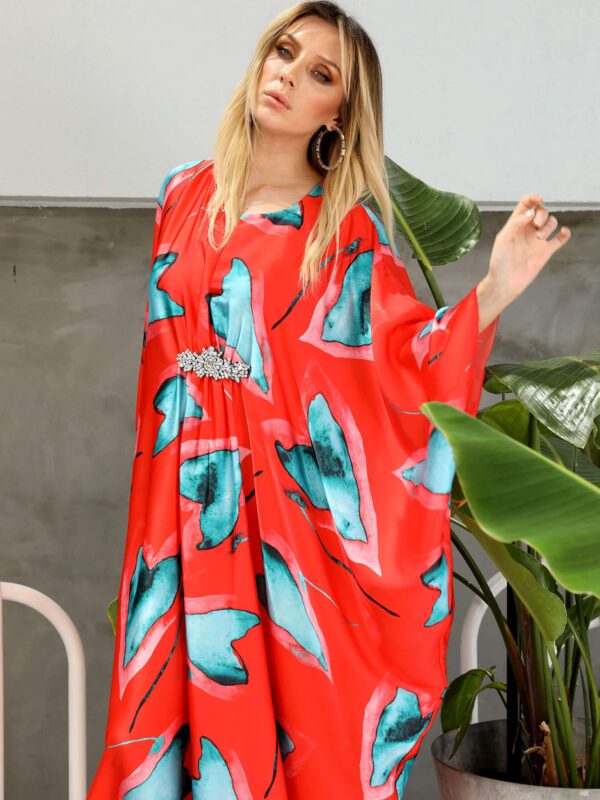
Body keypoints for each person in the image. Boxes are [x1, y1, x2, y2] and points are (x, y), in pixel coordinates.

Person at [86, 2, 571, 798]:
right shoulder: (183, 195)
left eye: (319, 74)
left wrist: (494, 288)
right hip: (178, 519)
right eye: (283, 52)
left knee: (298, 742)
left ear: (338, 114)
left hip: (285, 533)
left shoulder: (340, 233)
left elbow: (406, 368)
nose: (286, 75)